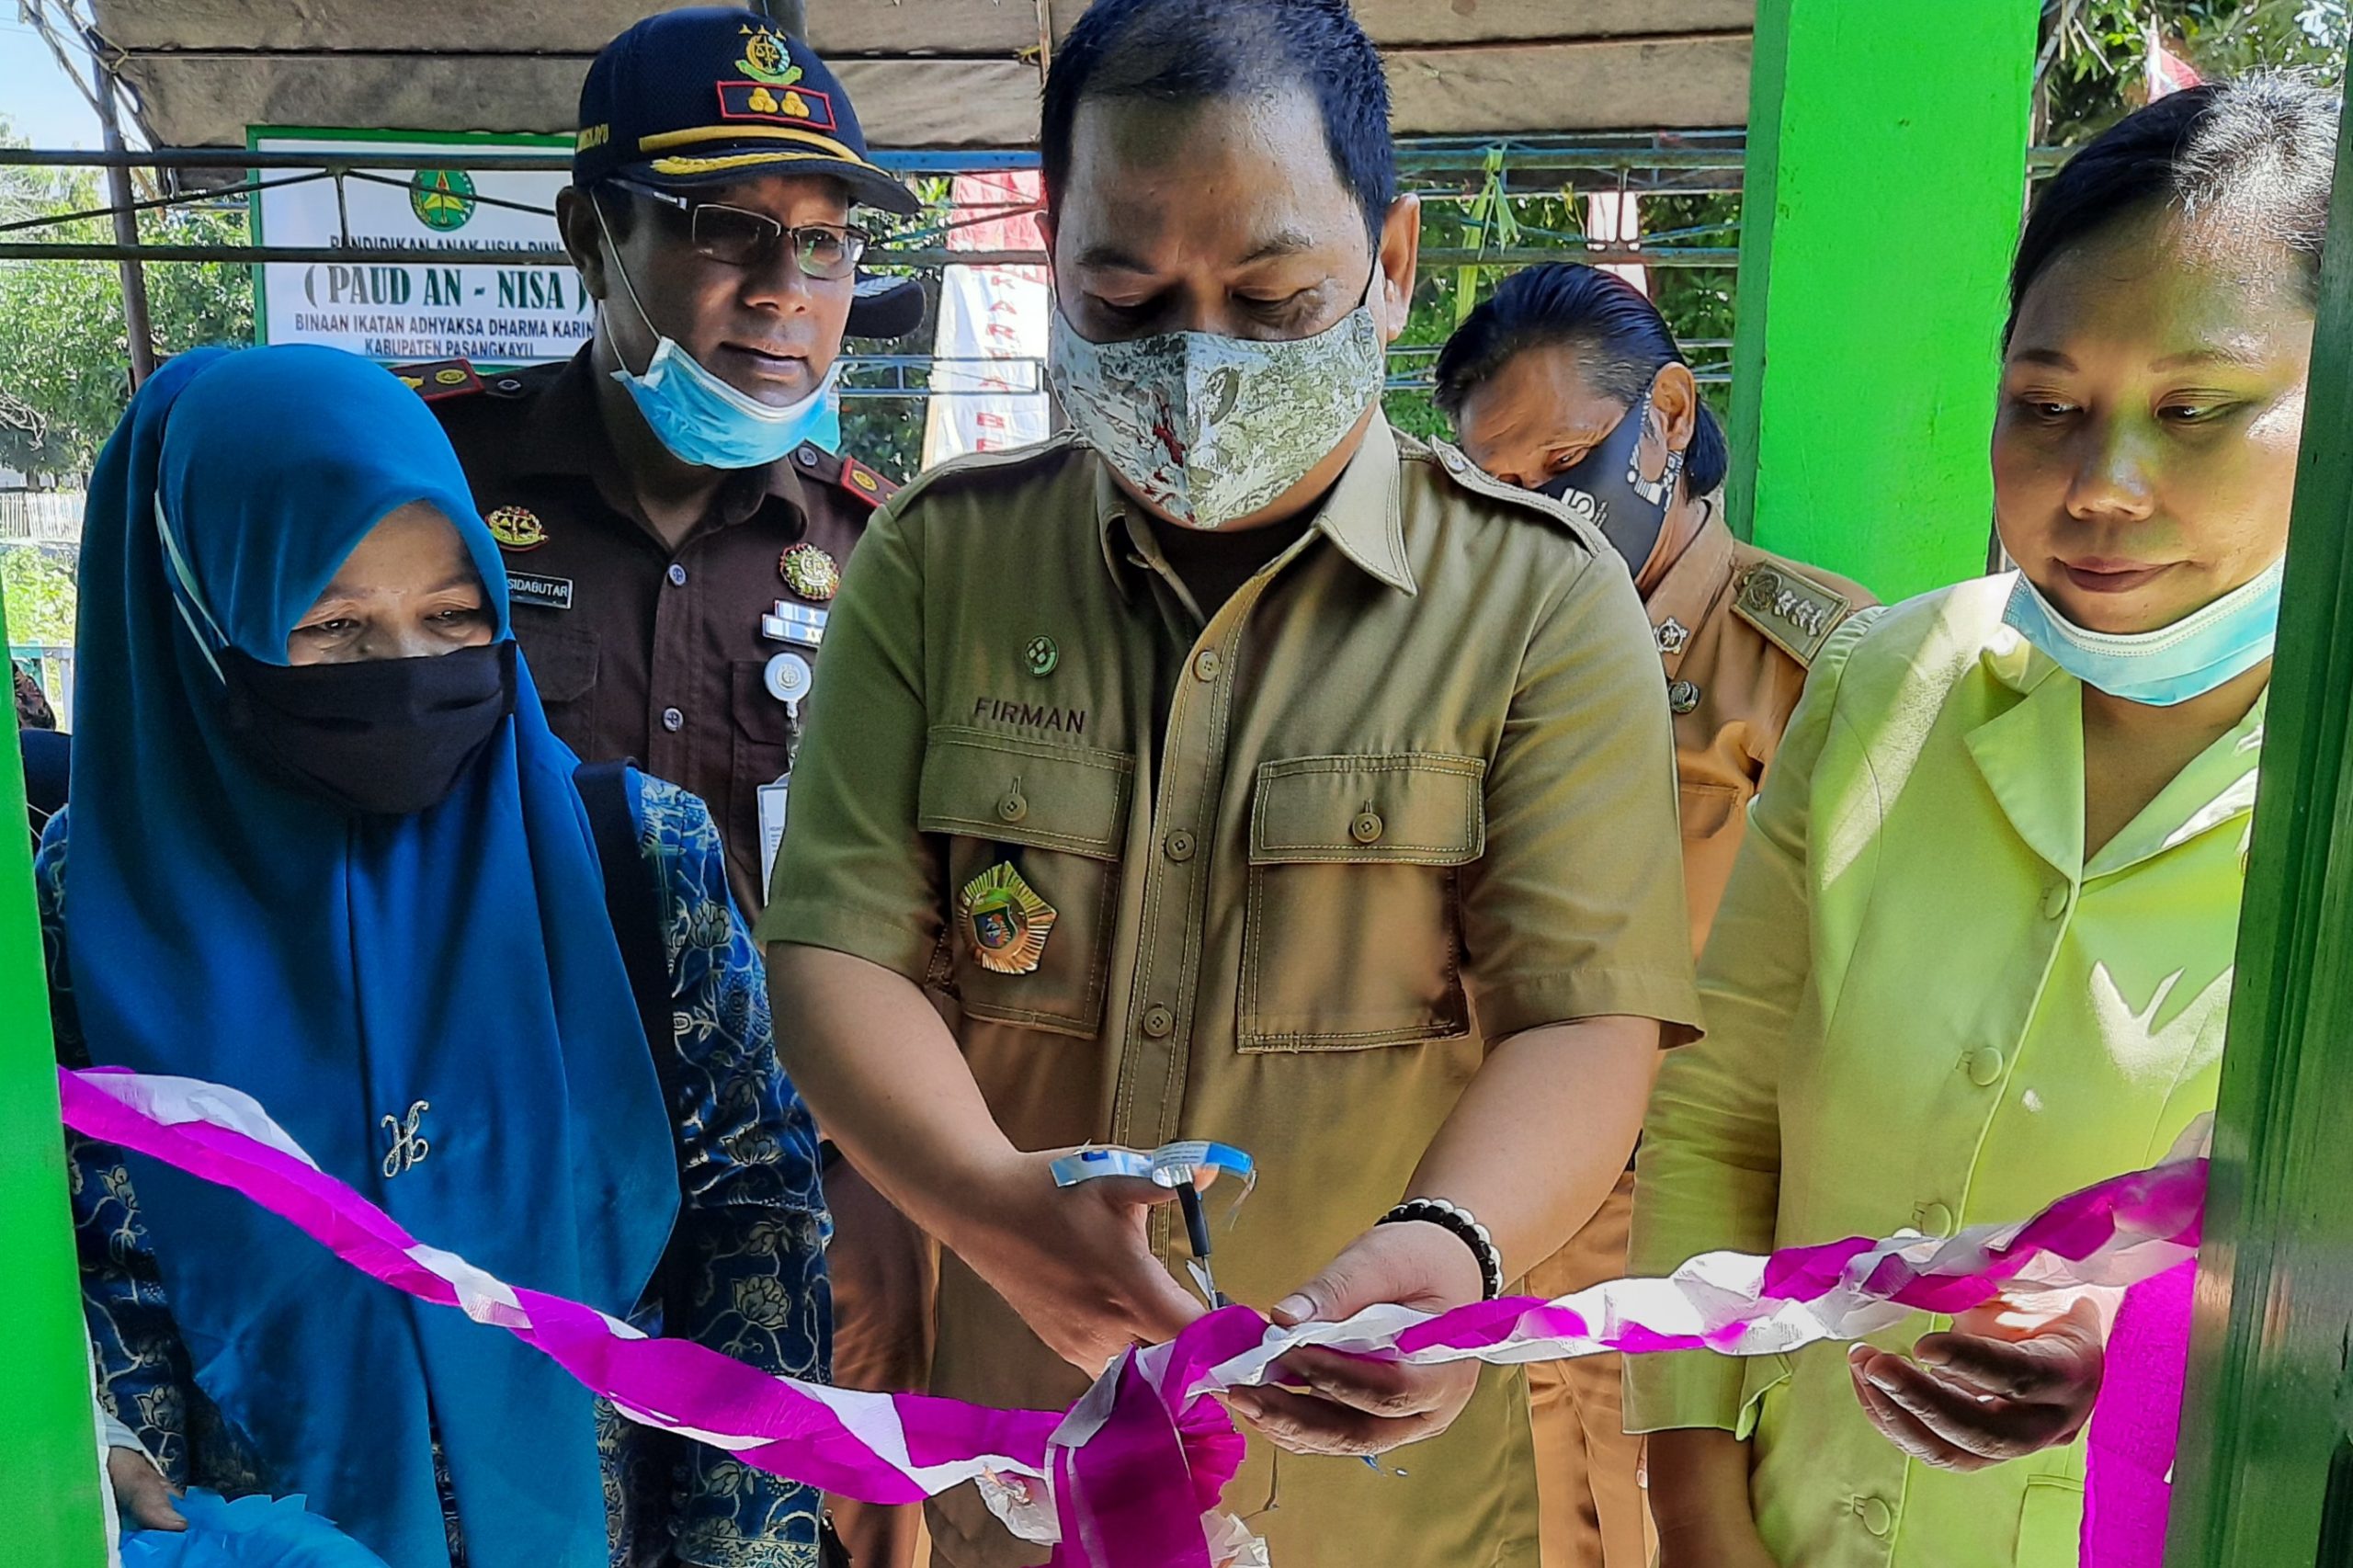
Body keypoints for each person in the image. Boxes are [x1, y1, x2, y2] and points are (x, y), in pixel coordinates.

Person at [759, 2, 1703, 1564]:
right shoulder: (938, 565)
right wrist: (996, 1212)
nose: (1198, 363)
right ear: (1053, 252)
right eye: (1125, 299)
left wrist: (1453, 1245)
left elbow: (1585, 1013)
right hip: (1034, 1473)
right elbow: (836, 954)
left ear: (1392, 263)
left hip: (1377, 1491)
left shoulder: (1538, 602)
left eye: (1274, 298)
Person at [1626, 76, 2329, 1568]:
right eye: (2049, 406)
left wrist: (2137, 1343)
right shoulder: (1889, 684)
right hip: (1798, 1524)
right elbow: (1720, 1110)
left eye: (2194, 410)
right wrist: (1693, 1498)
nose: (2100, 485)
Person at [58, 345, 830, 1568]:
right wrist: (92, 1460)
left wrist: (748, 1552)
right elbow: (80, 1265)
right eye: (333, 627)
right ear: (199, 625)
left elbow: (756, 1229)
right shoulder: (81, 921)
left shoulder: (637, 856)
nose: (409, 675)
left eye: (456, 615)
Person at [409, 16, 934, 1562]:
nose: (785, 293)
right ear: (594, 232)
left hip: (810, 1200)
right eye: (727, 233)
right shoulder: (435, 494)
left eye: (828, 248)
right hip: (498, 1185)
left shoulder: (881, 558)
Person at [1435, 264, 1875, 1568]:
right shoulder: (1470, 667)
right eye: (1501, 489)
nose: (1541, 510)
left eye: (1570, 460)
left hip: (1706, 1250)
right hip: (1506, 1227)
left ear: (1670, 418)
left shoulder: (1820, 663)